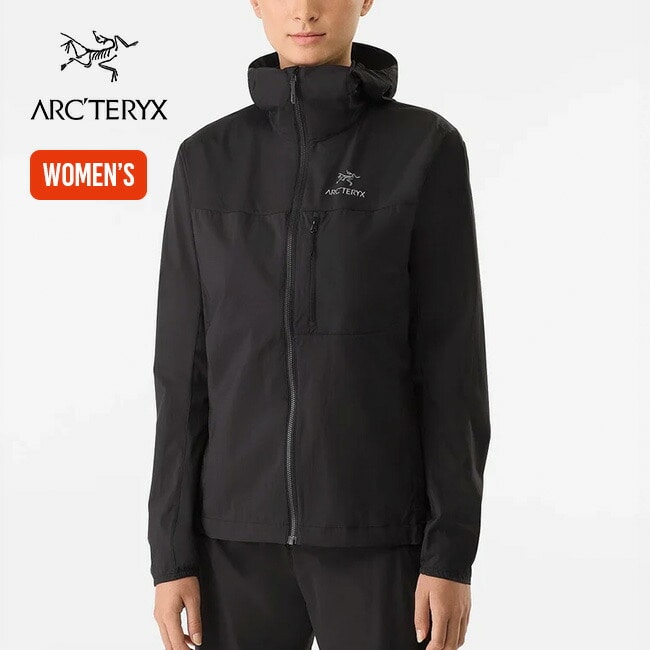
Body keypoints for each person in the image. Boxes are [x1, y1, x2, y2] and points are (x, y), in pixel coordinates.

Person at [147, 1, 491, 649]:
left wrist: (449, 554)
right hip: (232, 542)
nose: (305, 10)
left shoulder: (423, 147)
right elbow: (181, 373)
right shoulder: (206, 158)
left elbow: (453, 366)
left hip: (380, 535)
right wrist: (171, 555)